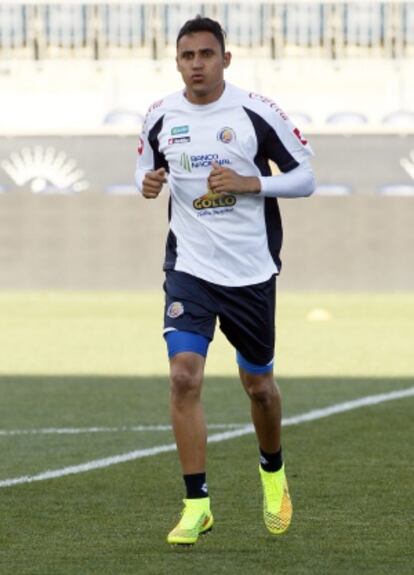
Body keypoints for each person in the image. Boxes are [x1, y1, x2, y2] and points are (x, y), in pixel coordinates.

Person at [135, 15, 315, 545]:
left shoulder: (256, 112)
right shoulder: (159, 115)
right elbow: (145, 168)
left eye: (206, 55)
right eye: (187, 56)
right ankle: (197, 505)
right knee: (183, 377)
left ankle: (273, 471)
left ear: (225, 59)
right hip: (189, 269)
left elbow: (305, 176)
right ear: (177, 62)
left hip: (250, 273)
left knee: (259, 386)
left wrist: (249, 182)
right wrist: (146, 182)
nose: (197, 65)